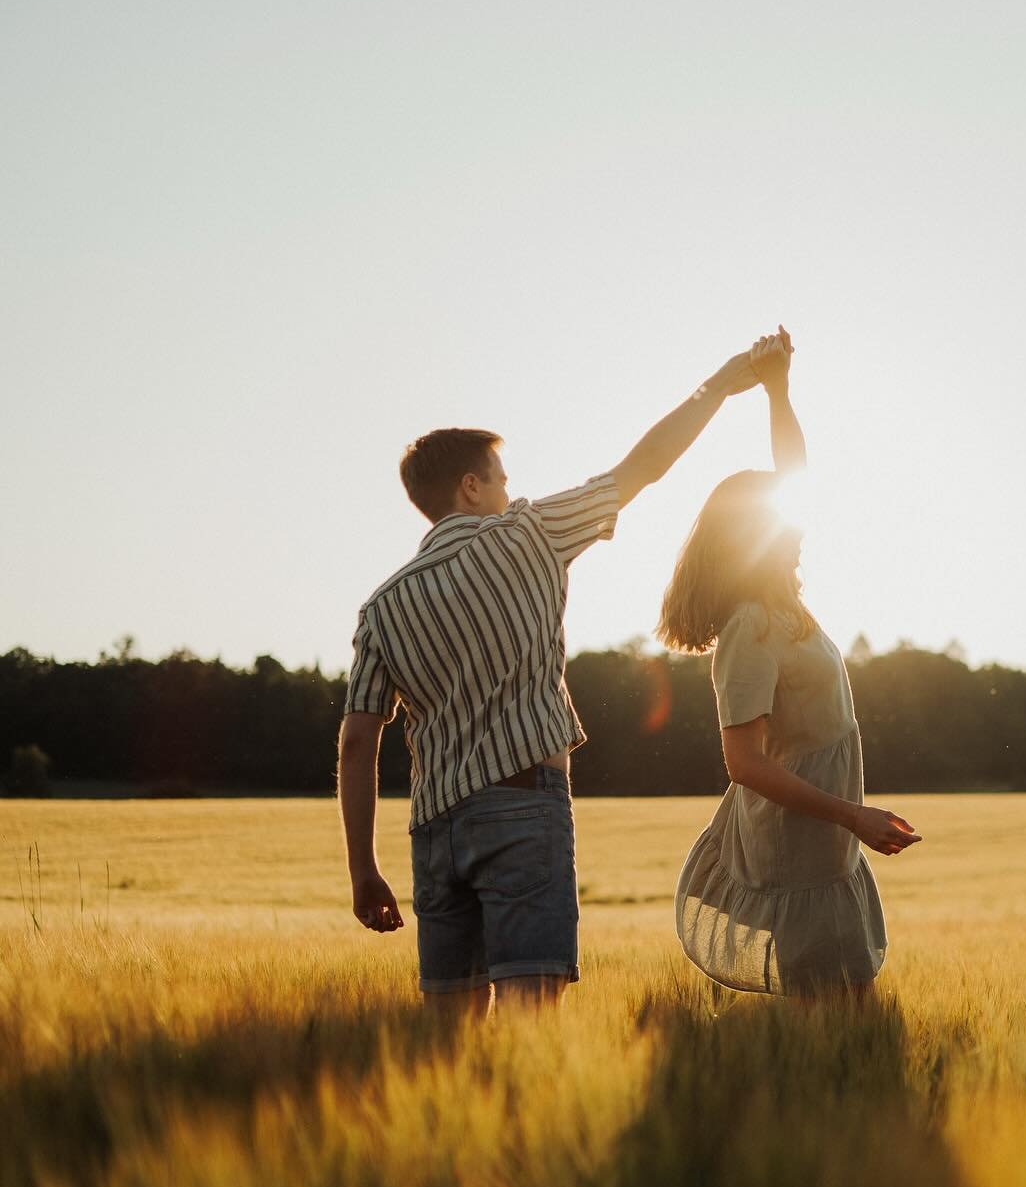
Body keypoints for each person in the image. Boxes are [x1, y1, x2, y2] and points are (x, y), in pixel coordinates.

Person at [337, 338, 776, 1016]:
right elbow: (644, 467)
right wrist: (718, 385)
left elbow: (357, 742)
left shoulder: (382, 607)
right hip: (521, 804)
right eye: (502, 478)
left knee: (445, 1033)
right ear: (471, 486)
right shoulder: (528, 535)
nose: (512, 490)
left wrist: (364, 871)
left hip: (433, 828)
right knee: (528, 1015)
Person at [658, 330, 921, 1000]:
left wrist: (778, 389)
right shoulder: (750, 626)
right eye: (784, 524)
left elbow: (794, 479)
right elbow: (743, 763)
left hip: (825, 833)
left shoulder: (783, 609)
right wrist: (852, 816)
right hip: (801, 835)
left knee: (839, 998)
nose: (800, 528)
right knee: (827, 998)